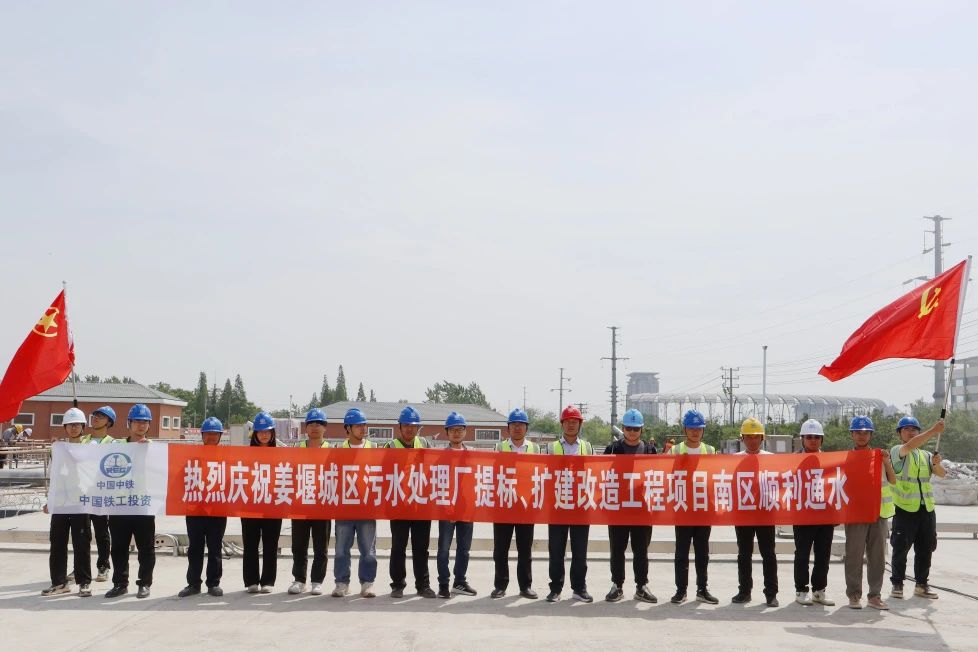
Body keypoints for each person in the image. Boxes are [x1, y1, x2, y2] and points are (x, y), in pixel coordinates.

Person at [889, 416, 946, 601]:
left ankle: (921, 585)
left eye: (914, 429)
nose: (911, 432)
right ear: (899, 433)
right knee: (901, 548)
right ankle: (897, 584)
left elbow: (942, 474)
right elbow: (911, 445)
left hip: (926, 509)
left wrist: (936, 464)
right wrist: (933, 431)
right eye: (906, 429)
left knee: (925, 549)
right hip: (905, 509)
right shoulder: (898, 451)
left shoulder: (926, 455)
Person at [603, 409, 657, 604]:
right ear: (623, 429)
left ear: (641, 429)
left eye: (636, 429)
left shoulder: (650, 450)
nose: (632, 432)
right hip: (618, 508)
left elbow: (657, 476)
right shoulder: (612, 449)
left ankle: (641, 586)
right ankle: (617, 585)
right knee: (617, 549)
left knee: (641, 550)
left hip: (642, 509)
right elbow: (602, 475)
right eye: (628, 428)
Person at [844, 415, 896, 610]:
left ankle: (874, 595)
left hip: (878, 513)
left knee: (877, 556)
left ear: (871, 435)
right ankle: (854, 594)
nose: (862, 436)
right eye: (858, 432)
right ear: (852, 434)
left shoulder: (879, 456)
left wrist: (886, 461)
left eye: (866, 432)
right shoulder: (846, 458)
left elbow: (892, 480)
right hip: (856, 514)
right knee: (854, 554)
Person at [106, 404, 156, 599]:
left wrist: (148, 451)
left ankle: (144, 583)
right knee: (118, 547)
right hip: (119, 504)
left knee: (146, 548)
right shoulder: (117, 446)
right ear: (129, 423)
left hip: (143, 505)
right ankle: (120, 583)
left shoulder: (154, 448)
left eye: (145, 422)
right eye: (137, 421)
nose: (141, 425)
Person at [669, 409, 719, 605]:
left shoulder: (711, 451)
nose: (695, 432)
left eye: (699, 428)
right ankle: (681, 590)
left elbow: (717, 477)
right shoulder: (675, 451)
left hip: (703, 508)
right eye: (691, 428)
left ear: (703, 430)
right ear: (685, 429)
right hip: (683, 508)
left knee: (702, 552)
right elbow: (665, 476)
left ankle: (702, 589)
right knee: (681, 552)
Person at [385, 406, 435, 598]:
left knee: (421, 548)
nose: (409, 429)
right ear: (399, 427)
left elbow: (434, 470)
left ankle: (423, 585)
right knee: (398, 547)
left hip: (421, 505)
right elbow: (383, 475)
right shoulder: (390, 447)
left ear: (418, 427)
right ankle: (397, 585)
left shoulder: (425, 444)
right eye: (406, 425)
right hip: (399, 505)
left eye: (413, 426)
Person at [42, 408, 92, 597]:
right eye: (70, 425)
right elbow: (53, 476)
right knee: (57, 544)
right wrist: (50, 501)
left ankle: (84, 582)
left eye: (77, 424)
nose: (73, 428)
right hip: (61, 503)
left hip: (81, 502)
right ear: (65, 427)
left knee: (81, 544)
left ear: (83, 427)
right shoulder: (58, 449)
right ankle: (59, 582)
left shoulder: (90, 447)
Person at [547, 405, 594, 603]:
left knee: (580, 551)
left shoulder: (588, 447)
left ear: (580, 424)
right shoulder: (551, 448)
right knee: (556, 550)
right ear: (562, 424)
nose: (571, 425)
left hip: (581, 506)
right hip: (558, 504)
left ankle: (579, 588)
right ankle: (555, 589)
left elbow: (594, 474)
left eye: (575, 422)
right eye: (568, 422)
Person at [491, 408, 540, 599]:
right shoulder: (499, 447)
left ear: (526, 428)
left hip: (526, 505)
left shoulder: (535, 448)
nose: (517, 428)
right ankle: (500, 585)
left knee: (525, 549)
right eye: (514, 425)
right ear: (508, 428)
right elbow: (492, 473)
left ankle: (525, 586)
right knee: (500, 549)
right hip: (504, 504)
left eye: (521, 425)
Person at [731, 417, 778, 607]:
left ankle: (771, 594)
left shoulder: (771, 459)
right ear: (742, 438)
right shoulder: (734, 460)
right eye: (748, 437)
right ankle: (744, 591)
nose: (752, 441)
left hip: (766, 513)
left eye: (756, 436)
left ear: (762, 438)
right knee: (744, 554)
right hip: (743, 513)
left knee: (769, 554)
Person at [178, 417, 227, 598]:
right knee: (195, 548)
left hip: (217, 510)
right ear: (202, 435)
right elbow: (182, 480)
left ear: (220, 436)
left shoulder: (227, 457)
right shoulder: (193, 456)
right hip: (195, 510)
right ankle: (193, 584)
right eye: (208, 433)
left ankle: (213, 584)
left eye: (215, 434)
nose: (211, 437)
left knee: (215, 548)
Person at [332, 408, 378, 598]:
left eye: (364, 425)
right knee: (341, 550)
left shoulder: (374, 448)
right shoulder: (338, 449)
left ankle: (367, 583)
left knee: (368, 550)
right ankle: (342, 583)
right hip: (344, 508)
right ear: (348, 429)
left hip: (367, 508)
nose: (363, 429)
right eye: (358, 426)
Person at [288, 408, 332, 596]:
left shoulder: (332, 450)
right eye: (311, 424)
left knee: (321, 546)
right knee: (299, 545)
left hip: (322, 505)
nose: (315, 427)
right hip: (300, 504)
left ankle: (317, 581)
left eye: (319, 423)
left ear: (325, 427)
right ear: (306, 428)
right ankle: (299, 579)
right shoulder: (297, 448)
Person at [793, 419, 835, 606]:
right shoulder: (792, 460)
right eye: (809, 437)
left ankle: (819, 590)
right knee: (802, 554)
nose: (813, 440)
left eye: (817, 437)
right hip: (802, 515)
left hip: (825, 514)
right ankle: (801, 590)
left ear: (822, 439)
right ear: (802, 439)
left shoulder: (830, 460)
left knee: (823, 555)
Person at [436, 411, 477, 598]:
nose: (456, 433)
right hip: (447, 508)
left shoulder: (472, 455)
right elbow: (436, 481)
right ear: (446, 433)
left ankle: (459, 582)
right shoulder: (440, 456)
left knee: (464, 549)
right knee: (444, 549)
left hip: (467, 509)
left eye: (460, 429)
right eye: (452, 430)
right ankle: (443, 584)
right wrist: (447, 506)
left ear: (465, 432)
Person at [241, 412, 283, 594]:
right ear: (255, 434)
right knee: (250, 543)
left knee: (270, 544)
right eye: (260, 431)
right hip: (250, 505)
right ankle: (251, 581)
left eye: (267, 431)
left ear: (272, 433)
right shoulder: (245, 455)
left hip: (273, 505)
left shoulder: (281, 455)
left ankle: (268, 581)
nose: (264, 435)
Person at [87, 406, 116, 583]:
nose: (96, 418)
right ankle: (80, 567)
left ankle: (103, 566)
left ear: (109, 422)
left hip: (102, 494)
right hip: (83, 494)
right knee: (81, 534)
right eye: (95, 415)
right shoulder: (82, 440)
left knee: (101, 532)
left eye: (101, 416)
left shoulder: (113, 443)